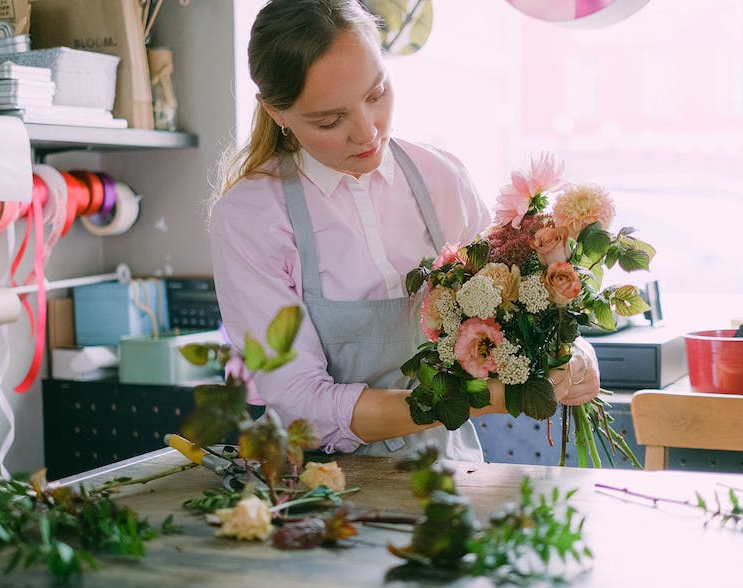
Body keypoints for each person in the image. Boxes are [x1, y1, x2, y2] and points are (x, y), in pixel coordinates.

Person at [209, 0, 600, 462]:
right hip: (316, 495)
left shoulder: (440, 178)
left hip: (450, 476)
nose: (367, 133)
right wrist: (485, 399)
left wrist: (572, 354)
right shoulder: (251, 217)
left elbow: (514, 311)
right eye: (330, 120)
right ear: (277, 112)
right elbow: (302, 409)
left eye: (376, 94)